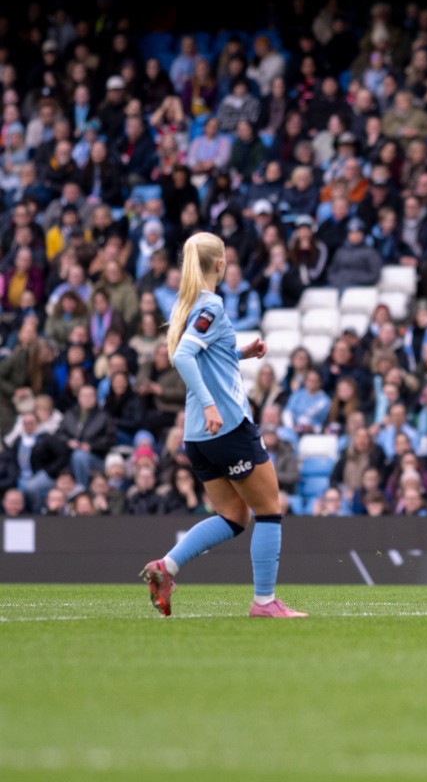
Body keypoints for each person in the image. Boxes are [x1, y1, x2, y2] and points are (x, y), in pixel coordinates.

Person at [139, 234, 303, 619]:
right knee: (269, 510)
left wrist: (241, 353)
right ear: (219, 264)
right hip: (226, 426)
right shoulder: (211, 304)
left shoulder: (187, 305)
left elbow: (206, 355)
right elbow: (184, 357)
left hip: (198, 437)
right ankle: (265, 602)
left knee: (233, 517)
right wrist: (212, 404)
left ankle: (166, 566)